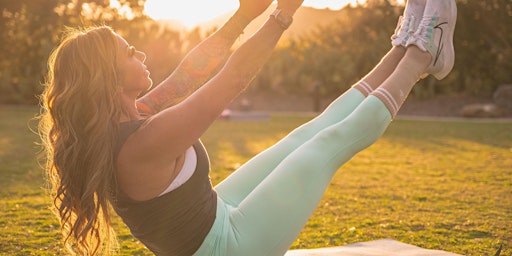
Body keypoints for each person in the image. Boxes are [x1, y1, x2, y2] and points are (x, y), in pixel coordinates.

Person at [38, 0, 457, 255]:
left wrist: (242, 17)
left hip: (209, 220)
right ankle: (423, 53)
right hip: (226, 250)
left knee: (304, 136)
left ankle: (402, 46)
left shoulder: (128, 117)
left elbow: (189, 73)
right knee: (326, 145)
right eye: (129, 52)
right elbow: (231, 80)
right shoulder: (143, 143)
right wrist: (283, 14)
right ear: (108, 77)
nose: (141, 53)